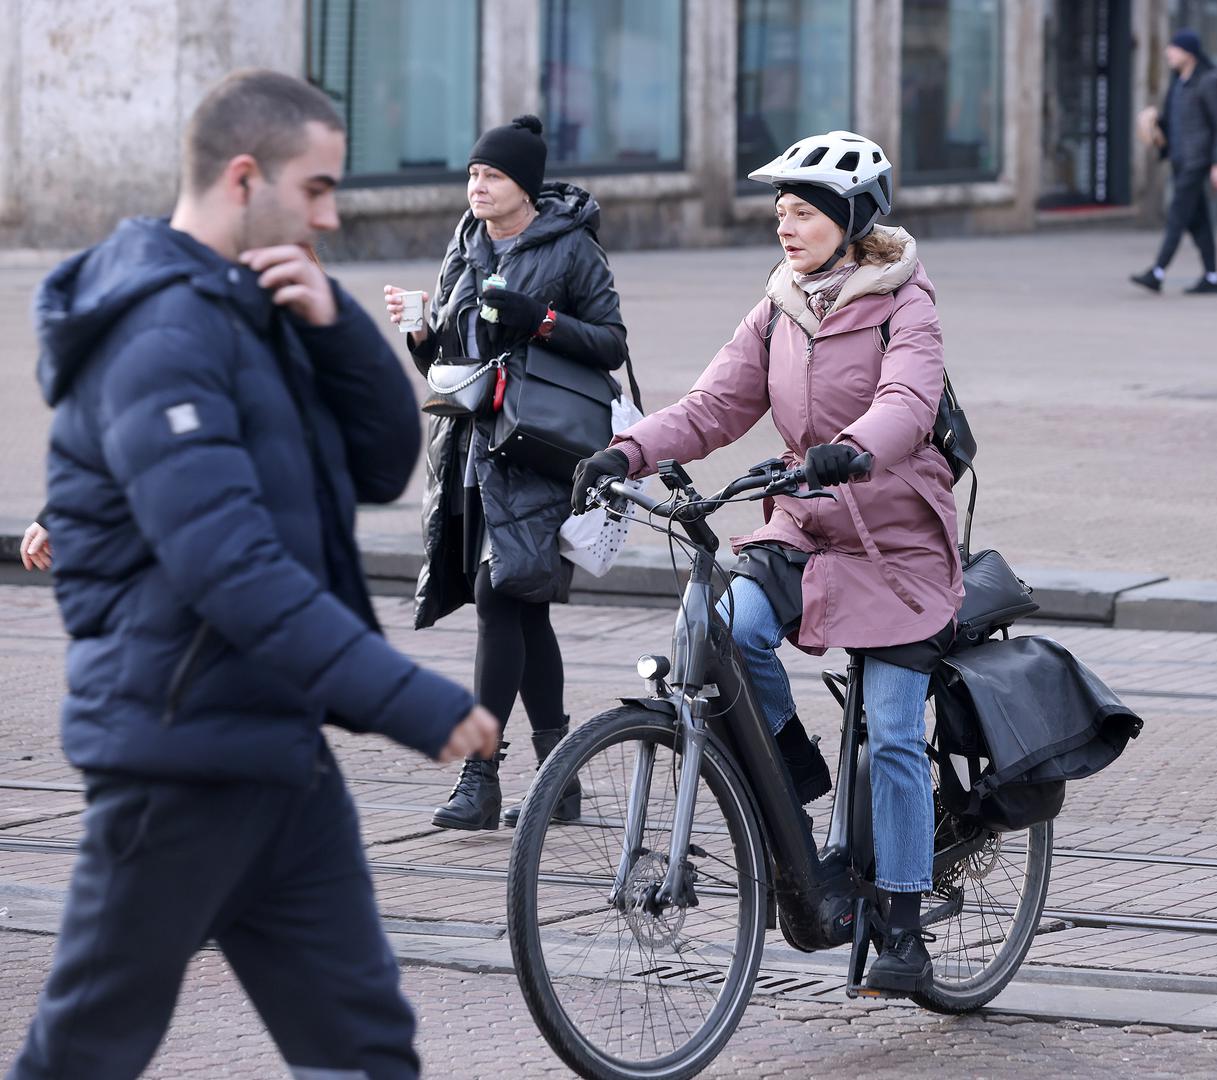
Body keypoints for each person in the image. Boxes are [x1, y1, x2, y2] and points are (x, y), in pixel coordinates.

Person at [9, 70, 500, 1080]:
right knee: (84, 1054)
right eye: (315, 189)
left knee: (366, 1051)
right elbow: (230, 567)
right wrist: (409, 700)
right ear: (244, 178)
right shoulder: (159, 334)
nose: (329, 216)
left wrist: (337, 323)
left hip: (279, 758)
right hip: (178, 763)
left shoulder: (253, 308)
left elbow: (379, 467)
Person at [571, 130, 960, 995]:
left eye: (804, 213)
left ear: (852, 220)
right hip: (806, 524)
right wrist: (625, 453)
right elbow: (715, 403)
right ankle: (789, 765)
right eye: (780, 212)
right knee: (729, 628)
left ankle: (902, 926)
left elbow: (907, 400)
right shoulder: (780, 305)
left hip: (895, 539)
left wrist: (853, 447)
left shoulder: (905, 303)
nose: (786, 227)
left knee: (894, 729)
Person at [386, 115, 630, 831]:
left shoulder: (571, 247)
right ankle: (562, 780)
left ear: (524, 186)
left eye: (491, 175)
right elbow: (446, 365)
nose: (478, 187)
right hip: (473, 449)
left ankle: (480, 778)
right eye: (472, 174)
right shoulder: (465, 242)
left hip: (540, 447)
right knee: (523, 606)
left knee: (500, 598)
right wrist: (421, 334)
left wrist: (540, 319)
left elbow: (611, 343)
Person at [1130, 29, 1217, 296]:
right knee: (1199, 221)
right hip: (1179, 158)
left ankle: (1157, 272)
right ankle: (1212, 277)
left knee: (1177, 215)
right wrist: (1155, 122)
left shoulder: (1209, 81)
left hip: (1197, 159)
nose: (1168, 53)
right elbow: (1173, 122)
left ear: (1189, 52)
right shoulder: (1179, 83)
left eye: (1173, 49)